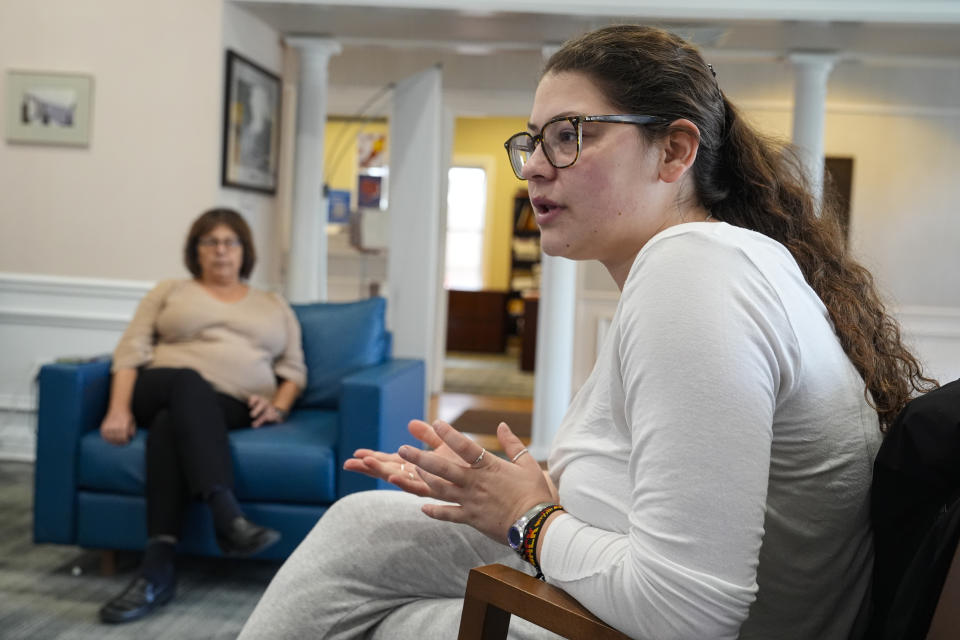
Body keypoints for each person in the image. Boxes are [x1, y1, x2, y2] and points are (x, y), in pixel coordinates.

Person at [237, 25, 936, 640]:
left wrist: (526, 515)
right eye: (533, 142)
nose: (537, 165)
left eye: (572, 135)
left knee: (385, 611)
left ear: (674, 153)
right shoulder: (714, 265)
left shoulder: (692, 269)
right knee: (368, 537)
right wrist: (519, 487)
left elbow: (690, 613)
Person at [98, 207, 307, 624]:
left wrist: (279, 407)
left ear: (244, 250)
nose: (220, 251)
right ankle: (227, 515)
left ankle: (156, 570)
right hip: (160, 386)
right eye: (209, 242)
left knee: (172, 425)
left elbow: (294, 370)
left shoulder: (272, 303)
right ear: (196, 251)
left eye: (230, 242)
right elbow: (130, 351)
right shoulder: (169, 291)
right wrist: (117, 409)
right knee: (188, 384)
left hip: (231, 405)